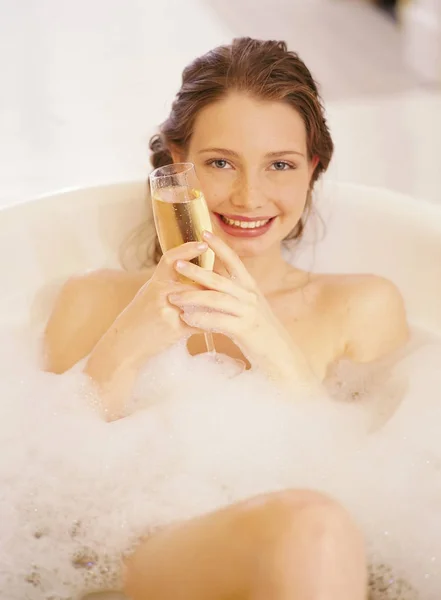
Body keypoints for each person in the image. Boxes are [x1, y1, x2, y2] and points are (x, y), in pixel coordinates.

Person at [43, 38, 409, 599]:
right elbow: (50, 498)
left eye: (280, 165)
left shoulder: (362, 307)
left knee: (317, 526)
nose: (248, 196)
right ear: (173, 162)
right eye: (220, 163)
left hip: (315, 562)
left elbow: (373, 490)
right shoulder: (93, 300)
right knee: (312, 526)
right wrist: (133, 337)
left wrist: (265, 335)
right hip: (133, 562)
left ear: (313, 170)